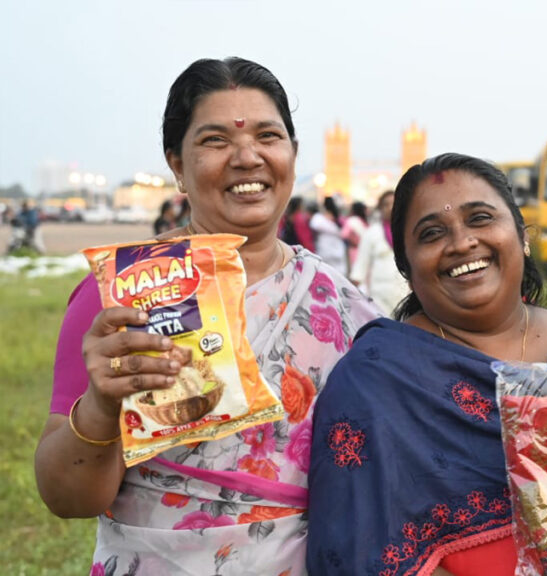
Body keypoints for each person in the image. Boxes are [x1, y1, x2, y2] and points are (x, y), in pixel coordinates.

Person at [33, 57, 379, 575]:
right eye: (215, 140)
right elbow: (68, 497)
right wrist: (104, 406)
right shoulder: (118, 300)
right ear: (177, 164)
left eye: (268, 135)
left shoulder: (346, 307)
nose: (247, 157)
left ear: (292, 153)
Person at [307, 153, 547, 575]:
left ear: (522, 236)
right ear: (406, 266)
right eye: (432, 233)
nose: (462, 242)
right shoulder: (377, 381)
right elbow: (353, 550)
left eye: (481, 218)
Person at [348, 190, 409, 316]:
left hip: (407, 294)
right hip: (380, 297)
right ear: (380, 208)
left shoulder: (409, 231)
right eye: (386, 204)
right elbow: (360, 267)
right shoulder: (371, 233)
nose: (390, 208)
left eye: (394, 203)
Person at [310, 195, 347, 275]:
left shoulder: (319, 218)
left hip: (325, 248)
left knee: (326, 272)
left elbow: (315, 224)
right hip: (337, 248)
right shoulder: (337, 218)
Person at [340, 200, 368, 274]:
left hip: (360, 249)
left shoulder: (358, 220)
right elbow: (344, 235)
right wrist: (353, 241)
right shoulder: (353, 221)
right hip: (356, 250)